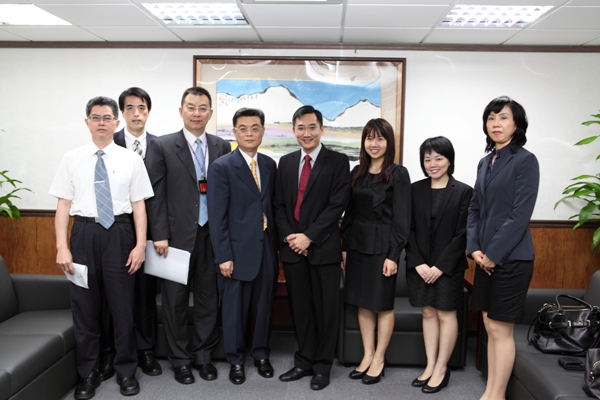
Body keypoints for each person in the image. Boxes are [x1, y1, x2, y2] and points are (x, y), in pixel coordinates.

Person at [50, 96, 153, 399]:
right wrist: (61, 247)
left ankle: (125, 370)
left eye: (108, 117)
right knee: (85, 309)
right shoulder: (71, 158)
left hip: (120, 234)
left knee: (122, 308)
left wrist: (139, 246)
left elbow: (139, 207)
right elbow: (62, 206)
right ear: (87, 122)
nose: (102, 123)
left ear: (116, 122)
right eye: (96, 117)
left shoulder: (131, 159)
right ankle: (89, 373)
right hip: (82, 233)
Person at [145, 87, 231, 385]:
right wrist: (159, 234)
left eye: (203, 107)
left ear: (210, 112)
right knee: (175, 302)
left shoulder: (221, 146)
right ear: (181, 111)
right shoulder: (162, 146)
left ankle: (204, 356)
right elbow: (153, 195)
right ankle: (180, 360)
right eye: (191, 107)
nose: (197, 113)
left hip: (211, 237)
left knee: (209, 300)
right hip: (173, 239)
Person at [467, 96, 539, 400]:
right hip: (485, 258)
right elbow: (474, 210)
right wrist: (475, 249)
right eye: (491, 118)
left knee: (501, 328)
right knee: (488, 324)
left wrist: (493, 255)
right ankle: (491, 391)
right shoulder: (486, 162)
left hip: (512, 259)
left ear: (517, 124)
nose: (496, 124)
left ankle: (495, 395)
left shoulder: (525, 160)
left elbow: (520, 215)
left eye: (503, 118)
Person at [274, 105, 350, 391]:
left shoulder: (338, 161)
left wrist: (309, 237)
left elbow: (336, 206)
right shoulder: (286, 161)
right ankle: (303, 361)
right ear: (294, 130)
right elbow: (279, 204)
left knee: (326, 311)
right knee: (301, 309)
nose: (306, 133)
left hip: (324, 249)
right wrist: (292, 238)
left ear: (321, 129)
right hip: (293, 251)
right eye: (301, 128)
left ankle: (322, 366)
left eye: (312, 127)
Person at [207, 108, 279, 385]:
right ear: (234, 133)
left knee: (263, 307)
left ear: (263, 130)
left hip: (266, 249)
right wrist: (223, 256)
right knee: (234, 310)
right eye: (243, 128)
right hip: (234, 253)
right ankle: (235, 360)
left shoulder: (270, 165)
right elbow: (217, 216)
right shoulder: (222, 166)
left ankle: (261, 354)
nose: (249, 133)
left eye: (255, 128)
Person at [340, 118, 411, 385]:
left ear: (388, 142)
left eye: (380, 138)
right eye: (369, 138)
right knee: (362, 302)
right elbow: (349, 214)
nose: (374, 143)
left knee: (382, 305)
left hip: (383, 248)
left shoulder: (398, 173)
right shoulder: (357, 171)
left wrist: (394, 255)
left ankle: (380, 357)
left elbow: (403, 219)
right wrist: (344, 248)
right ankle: (367, 355)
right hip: (357, 245)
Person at [99, 87, 162, 381]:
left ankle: (145, 350)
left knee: (145, 295)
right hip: (117, 230)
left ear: (148, 111)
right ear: (122, 113)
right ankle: (112, 351)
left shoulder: (162, 146)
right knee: (114, 297)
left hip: (153, 235)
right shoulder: (108, 144)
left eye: (142, 108)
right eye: (130, 108)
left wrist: (161, 234)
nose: (137, 113)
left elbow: (165, 196)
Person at [405, 136, 473, 394]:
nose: (433, 164)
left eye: (439, 158)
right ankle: (430, 364)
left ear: (449, 159)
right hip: (420, 266)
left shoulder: (464, 191)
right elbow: (406, 229)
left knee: (446, 314)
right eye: (427, 159)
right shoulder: (415, 189)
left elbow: (462, 233)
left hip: (449, 268)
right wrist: (418, 263)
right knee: (427, 313)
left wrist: (441, 266)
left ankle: (442, 368)